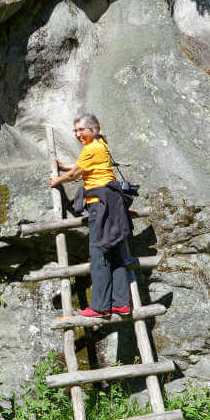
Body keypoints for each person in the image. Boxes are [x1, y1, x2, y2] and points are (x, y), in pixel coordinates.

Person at [49, 114, 135, 318]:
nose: (78, 134)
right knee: (115, 254)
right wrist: (65, 167)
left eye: (82, 130)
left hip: (100, 206)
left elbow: (73, 175)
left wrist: (56, 180)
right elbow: (84, 167)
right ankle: (121, 303)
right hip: (114, 204)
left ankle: (100, 306)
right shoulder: (101, 145)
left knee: (99, 255)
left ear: (93, 129)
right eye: (76, 130)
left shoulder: (90, 148)